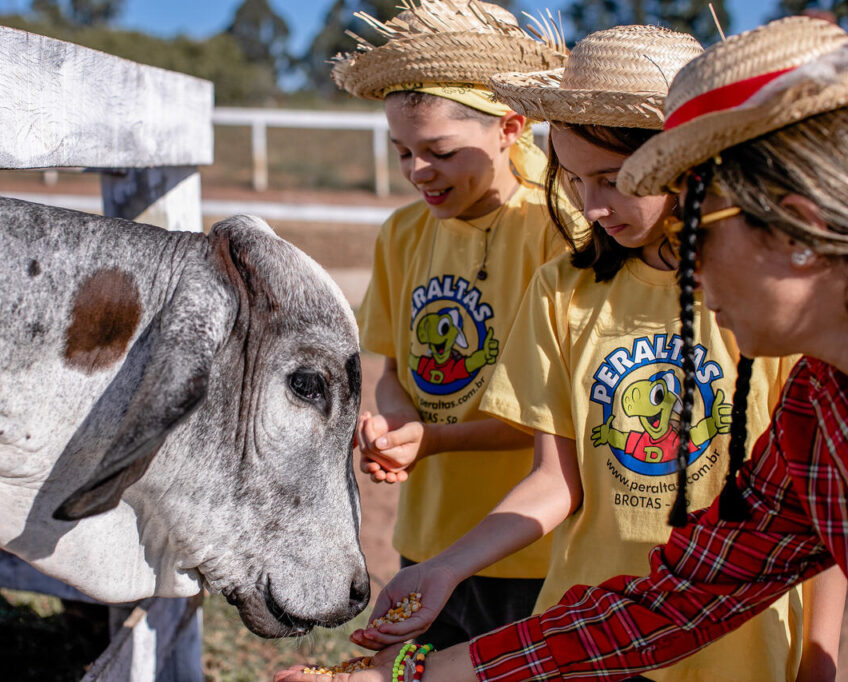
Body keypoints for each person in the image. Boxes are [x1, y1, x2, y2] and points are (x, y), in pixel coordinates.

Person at [275, 15, 848, 682]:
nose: (688, 266)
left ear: (799, 230)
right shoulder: (816, 411)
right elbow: (676, 602)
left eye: (702, 228)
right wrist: (400, 674)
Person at [332, 0, 568, 648]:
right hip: (427, 540)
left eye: (438, 151)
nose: (417, 172)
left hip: (532, 552)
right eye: (402, 152)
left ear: (510, 128)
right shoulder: (402, 233)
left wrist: (431, 440)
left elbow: (553, 422)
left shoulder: (560, 230)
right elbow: (391, 373)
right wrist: (394, 419)